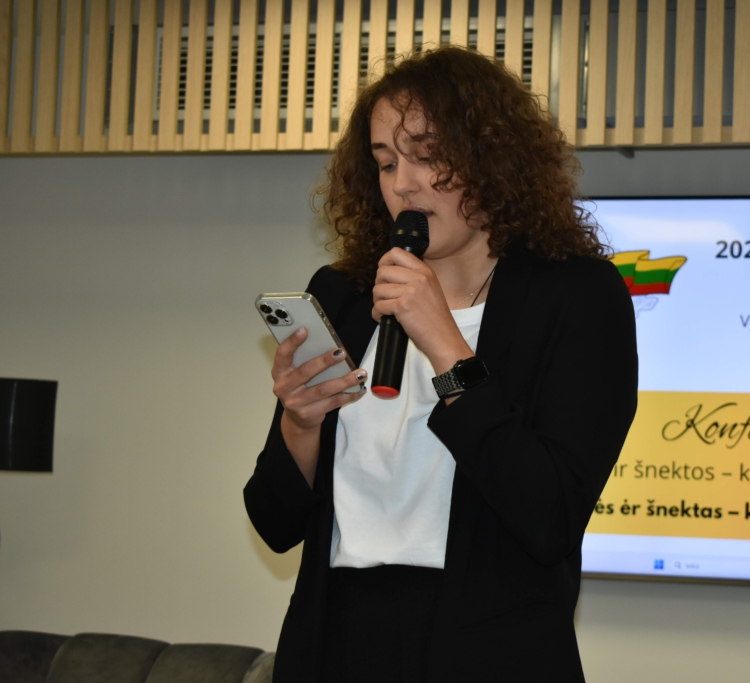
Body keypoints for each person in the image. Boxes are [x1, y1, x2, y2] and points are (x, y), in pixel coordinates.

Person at [243, 46, 638, 682]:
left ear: (492, 158)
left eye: (427, 155)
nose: (403, 183)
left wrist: (446, 344)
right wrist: (299, 423)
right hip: (334, 642)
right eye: (386, 162)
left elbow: (550, 516)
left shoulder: (577, 297)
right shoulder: (344, 294)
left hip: (488, 652)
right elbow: (274, 520)